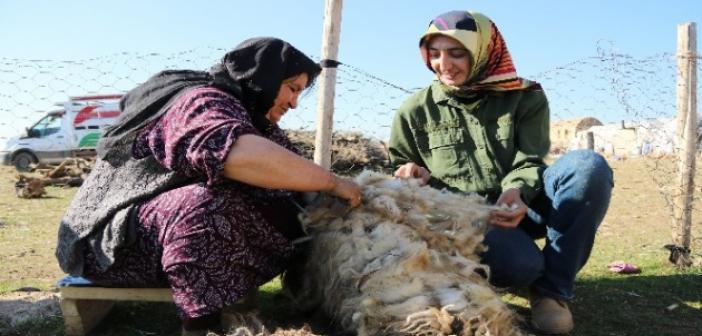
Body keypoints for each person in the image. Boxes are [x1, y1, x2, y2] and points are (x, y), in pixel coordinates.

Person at [55, 37, 361, 336]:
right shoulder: (201, 102)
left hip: (155, 239)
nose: (295, 103)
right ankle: (200, 325)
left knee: (284, 207)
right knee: (207, 206)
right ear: (264, 77)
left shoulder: (255, 120)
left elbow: (294, 182)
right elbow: (232, 154)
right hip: (109, 247)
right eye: (292, 88)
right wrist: (332, 182)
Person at [389, 11, 613, 334]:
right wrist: (409, 173)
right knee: (522, 266)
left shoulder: (525, 96)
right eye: (434, 54)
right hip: (472, 223)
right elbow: (397, 170)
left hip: (526, 204)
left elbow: (530, 159)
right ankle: (519, 273)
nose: (444, 64)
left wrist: (517, 190)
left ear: (482, 51)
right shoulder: (413, 113)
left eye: (456, 53)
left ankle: (551, 292)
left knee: (588, 169)